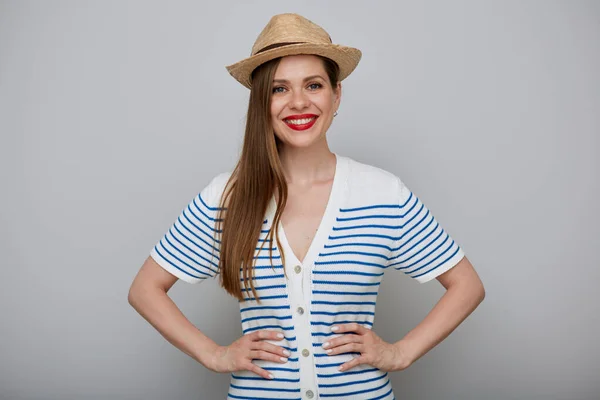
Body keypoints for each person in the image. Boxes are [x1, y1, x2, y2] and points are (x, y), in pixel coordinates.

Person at [128, 13, 485, 400]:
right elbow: (145, 289)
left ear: (337, 94)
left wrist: (400, 352)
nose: (298, 102)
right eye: (279, 89)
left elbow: (467, 285)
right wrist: (214, 355)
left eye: (313, 85)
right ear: (261, 103)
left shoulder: (383, 194)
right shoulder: (227, 196)